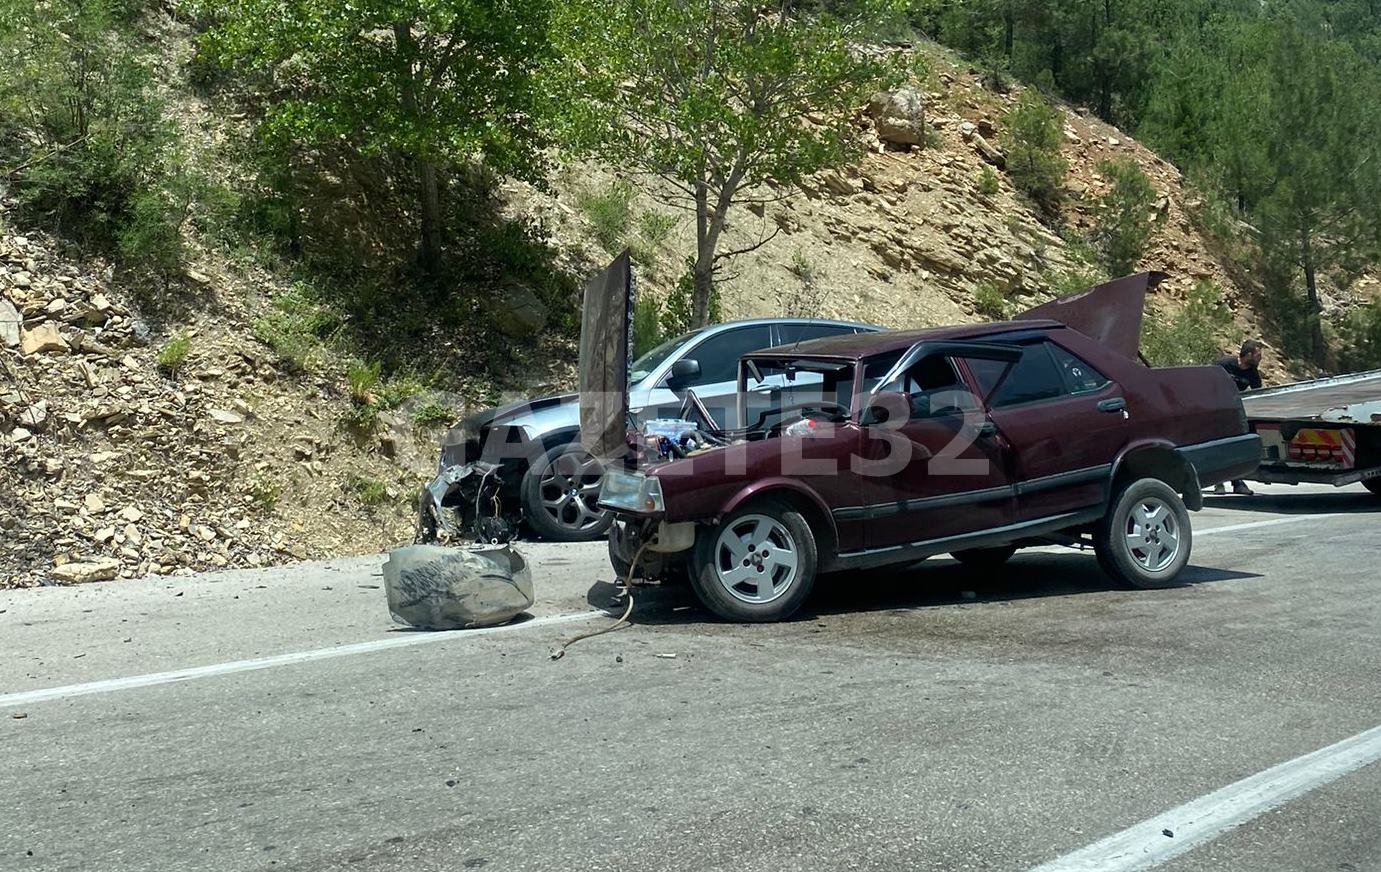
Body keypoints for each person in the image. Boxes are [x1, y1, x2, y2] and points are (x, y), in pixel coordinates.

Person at [1212, 339, 1265, 495]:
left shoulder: (1252, 373)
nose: (1260, 359)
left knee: (1234, 447)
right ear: (1248, 355)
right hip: (1215, 410)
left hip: (1234, 413)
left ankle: (1238, 483)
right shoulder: (1224, 364)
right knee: (1217, 446)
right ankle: (1218, 483)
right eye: (1258, 355)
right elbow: (1209, 384)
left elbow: (1259, 394)